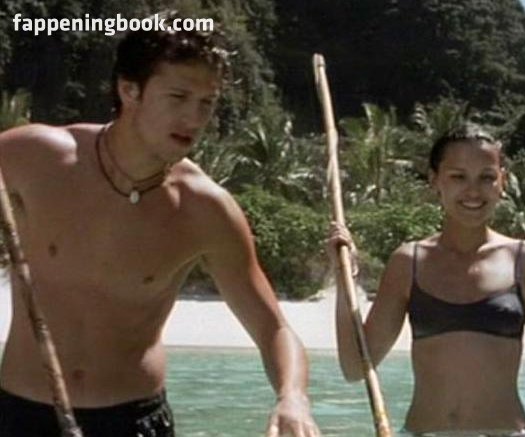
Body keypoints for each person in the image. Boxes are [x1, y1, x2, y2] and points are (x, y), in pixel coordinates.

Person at [0, 20, 319, 437]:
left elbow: (273, 328)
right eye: (178, 97)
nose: (194, 118)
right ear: (129, 90)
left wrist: (292, 396)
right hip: (20, 414)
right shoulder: (35, 157)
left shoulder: (205, 210)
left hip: (132, 421)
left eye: (207, 103)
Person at [327, 124, 525, 436]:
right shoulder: (409, 263)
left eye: (486, 177)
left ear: (502, 182)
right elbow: (355, 367)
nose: (473, 191)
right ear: (435, 180)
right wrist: (345, 279)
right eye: (458, 177)